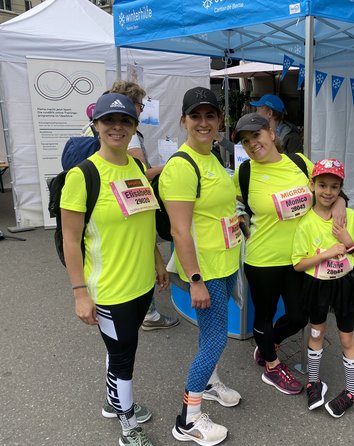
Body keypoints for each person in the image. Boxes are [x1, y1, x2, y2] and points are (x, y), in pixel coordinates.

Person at [60, 93, 169, 446]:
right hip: (109, 290)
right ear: (96, 125)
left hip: (141, 284)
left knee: (120, 348)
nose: (117, 127)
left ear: (134, 127)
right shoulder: (83, 176)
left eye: (125, 121)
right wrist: (80, 293)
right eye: (109, 120)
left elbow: (143, 219)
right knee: (124, 359)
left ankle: (114, 402)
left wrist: (157, 260)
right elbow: (71, 240)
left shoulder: (136, 167)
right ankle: (128, 428)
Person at [232, 113, 346, 396]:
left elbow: (328, 188)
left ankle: (268, 343)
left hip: (299, 259)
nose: (252, 144)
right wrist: (242, 226)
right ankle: (271, 366)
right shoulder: (244, 173)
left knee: (298, 316)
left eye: (256, 135)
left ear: (271, 133)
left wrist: (341, 203)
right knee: (265, 315)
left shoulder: (299, 163)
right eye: (245, 141)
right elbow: (235, 206)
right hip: (263, 259)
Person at [159, 86, 241, 445]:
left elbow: (219, 210)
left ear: (220, 120)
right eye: (196, 116)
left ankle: (209, 383)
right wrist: (195, 280)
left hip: (226, 262)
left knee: (211, 336)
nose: (204, 122)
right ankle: (188, 419)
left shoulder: (213, 157)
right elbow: (179, 231)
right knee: (215, 340)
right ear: (184, 121)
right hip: (205, 270)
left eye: (210, 115)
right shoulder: (182, 166)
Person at [292, 158, 354, 418]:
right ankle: (313, 382)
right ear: (312, 185)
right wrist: (325, 254)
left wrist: (348, 241)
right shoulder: (305, 222)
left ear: (341, 189)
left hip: (345, 283)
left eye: (334, 187)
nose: (328, 191)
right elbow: (298, 264)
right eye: (322, 185)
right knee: (316, 333)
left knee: (347, 337)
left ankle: (351, 392)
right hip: (317, 285)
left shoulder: (349, 217)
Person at [108, 80, 179, 331]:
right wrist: (168, 166)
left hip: (111, 204)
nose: (141, 109)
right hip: (127, 202)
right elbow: (141, 173)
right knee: (139, 251)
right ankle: (148, 313)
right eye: (140, 104)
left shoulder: (99, 127)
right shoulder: (127, 135)